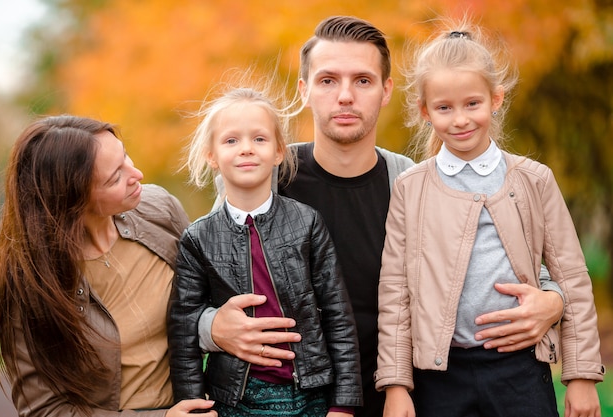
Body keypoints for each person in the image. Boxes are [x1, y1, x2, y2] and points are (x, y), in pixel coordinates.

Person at [200, 16, 566, 417]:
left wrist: (554, 299)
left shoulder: (411, 184)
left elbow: (498, 259)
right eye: (327, 81)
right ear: (304, 90)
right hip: (293, 402)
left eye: (362, 80)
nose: (344, 96)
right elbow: (197, 289)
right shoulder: (265, 182)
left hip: (405, 399)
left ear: (386, 90)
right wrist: (211, 327)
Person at [375, 18, 605, 417]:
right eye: (444, 108)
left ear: (495, 99)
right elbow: (395, 291)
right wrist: (396, 385)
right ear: (425, 111)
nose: (460, 119)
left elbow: (572, 278)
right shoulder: (411, 188)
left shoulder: (533, 180)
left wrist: (581, 376)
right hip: (439, 377)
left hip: (520, 371)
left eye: (472, 104)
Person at [0, 115, 217, 417]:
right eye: (114, 178)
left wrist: (217, 325)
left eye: (125, 156)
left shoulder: (160, 210)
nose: (137, 173)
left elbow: (204, 297)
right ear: (72, 201)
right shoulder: (32, 284)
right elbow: (45, 409)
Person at [167, 85, 362, 416]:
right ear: (211, 155)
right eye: (231, 141)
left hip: (309, 392)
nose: (246, 149)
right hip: (234, 398)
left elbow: (337, 315)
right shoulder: (198, 238)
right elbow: (184, 325)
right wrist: (193, 405)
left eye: (259, 139)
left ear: (278, 152)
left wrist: (344, 402)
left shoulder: (307, 223)